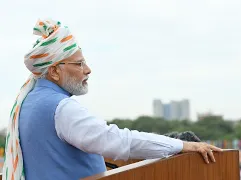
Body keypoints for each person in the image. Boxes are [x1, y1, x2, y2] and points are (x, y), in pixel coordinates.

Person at [2, 19, 223, 180]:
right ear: (54, 71)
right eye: (78, 64)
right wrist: (182, 145)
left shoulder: (28, 102)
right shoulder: (62, 108)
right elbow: (118, 141)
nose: (87, 70)